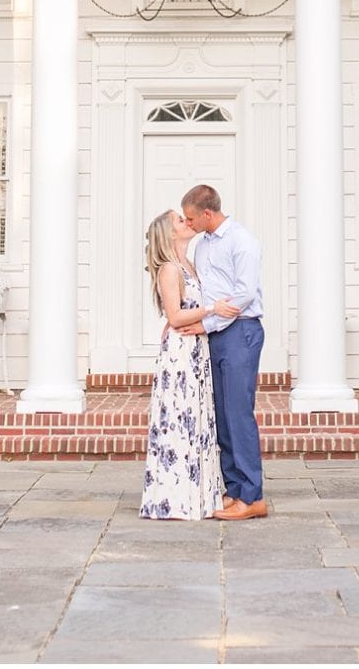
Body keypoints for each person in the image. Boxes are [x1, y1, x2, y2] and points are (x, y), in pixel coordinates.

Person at [182, 183, 268, 520]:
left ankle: (253, 497)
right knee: (221, 416)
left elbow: (244, 294)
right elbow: (207, 293)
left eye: (191, 219)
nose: (188, 225)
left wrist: (207, 324)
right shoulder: (201, 247)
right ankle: (234, 491)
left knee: (238, 414)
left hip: (240, 332)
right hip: (216, 334)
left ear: (207, 213)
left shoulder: (241, 241)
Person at [137, 209, 225, 520]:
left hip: (196, 349)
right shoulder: (169, 269)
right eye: (178, 220)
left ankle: (199, 495)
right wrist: (214, 309)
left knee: (197, 417)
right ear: (169, 234)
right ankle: (174, 498)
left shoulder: (189, 264)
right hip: (180, 352)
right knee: (179, 418)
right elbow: (175, 317)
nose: (186, 222)